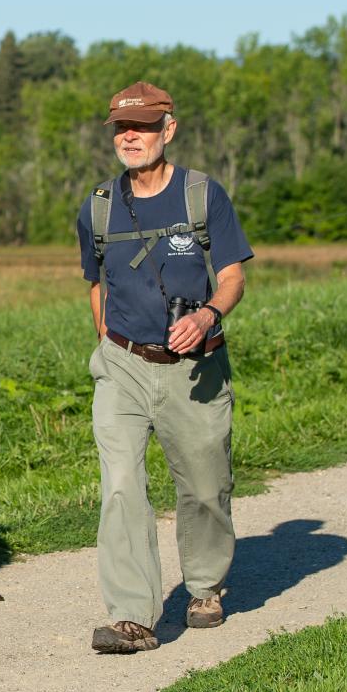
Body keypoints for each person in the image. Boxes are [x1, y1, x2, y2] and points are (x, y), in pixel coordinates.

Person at [76, 81, 254, 653]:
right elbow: (95, 283)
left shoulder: (202, 196)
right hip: (123, 364)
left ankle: (204, 587)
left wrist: (205, 318)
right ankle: (132, 615)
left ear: (168, 130)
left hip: (194, 366)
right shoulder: (98, 205)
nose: (132, 137)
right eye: (123, 128)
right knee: (121, 483)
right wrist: (109, 341)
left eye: (145, 127)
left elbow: (233, 277)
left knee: (205, 486)